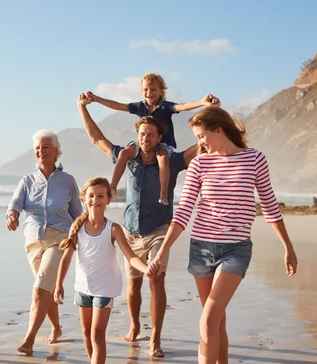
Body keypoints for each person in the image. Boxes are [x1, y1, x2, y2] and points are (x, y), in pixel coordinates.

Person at [147, 106, 299, 364]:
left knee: (207, 320)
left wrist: (288, 247)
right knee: (216, 321)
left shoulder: (254, 159)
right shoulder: (199, 164)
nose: (199, 142)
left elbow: (270, 206)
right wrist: (162, 252)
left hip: (235, 250)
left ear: (218, 130)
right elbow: (183, 212)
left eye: (201, 136)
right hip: (201, 249)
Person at [77, 93, 216, 357]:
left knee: (156, 279)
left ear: (159, 138)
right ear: (137, 135)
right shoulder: (127, 157)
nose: (145, 138)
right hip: (130, 231)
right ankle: (134, 326)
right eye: (142, 134)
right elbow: (97, 139)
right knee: (133, 285)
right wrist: (82, 108)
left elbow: (200, 146)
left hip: (159, 230)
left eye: (151, 134)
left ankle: (156, 338)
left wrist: (210, 111)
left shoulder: (171, 161)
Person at [54, 177, 152, 364]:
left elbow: (130, 256)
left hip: (104, 290)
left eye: (100, 196)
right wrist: (58, 284)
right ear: (83, 198)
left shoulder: (113, 229)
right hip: (82, 288)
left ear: (108, 199)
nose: (95, 200)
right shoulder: (78, 228)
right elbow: (66, 258)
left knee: (97, 333)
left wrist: (146, 269)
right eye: (91, 196)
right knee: (86, 332)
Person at [6, 129, 83, 355]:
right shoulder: (27, 181)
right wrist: (12, 216)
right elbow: (15, 204)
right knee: (46, 290)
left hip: (59, 239)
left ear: (56, 150)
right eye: (38, 148)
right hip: (33, 241)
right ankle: (57, 328)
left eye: (46, 147)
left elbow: (78, 214)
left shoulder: (68, 181)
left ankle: (29, 340)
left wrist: (79, 241)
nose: (41, 151)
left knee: (39, 290)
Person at [86, 72, 218, 205]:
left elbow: (183, 106)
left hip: (164, 144)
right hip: (144, 143)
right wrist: (97, 99)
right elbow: (116, 105)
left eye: (153, 89)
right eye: (145, 89)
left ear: (161, 91)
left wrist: (201, 103)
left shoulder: (165, 107)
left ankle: (163, 193)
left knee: (162, 157)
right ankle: (113, 186)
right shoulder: (140, 106)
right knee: (124, 153)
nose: (149, 92)